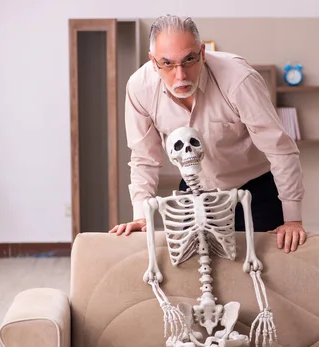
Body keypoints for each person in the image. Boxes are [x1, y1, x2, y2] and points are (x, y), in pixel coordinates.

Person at [109, 15, 306, 253]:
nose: (180, 76)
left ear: (202, 53)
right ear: (153, 61)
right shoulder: (140, 88)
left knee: (265, 270)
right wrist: (141, 216)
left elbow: (279, 148)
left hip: (257, 188)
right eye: (168, 64)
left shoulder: (238, 80)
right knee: (187, 267)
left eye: (189, 59)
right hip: (195, 189)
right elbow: (144, 158)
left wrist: (293, 219)